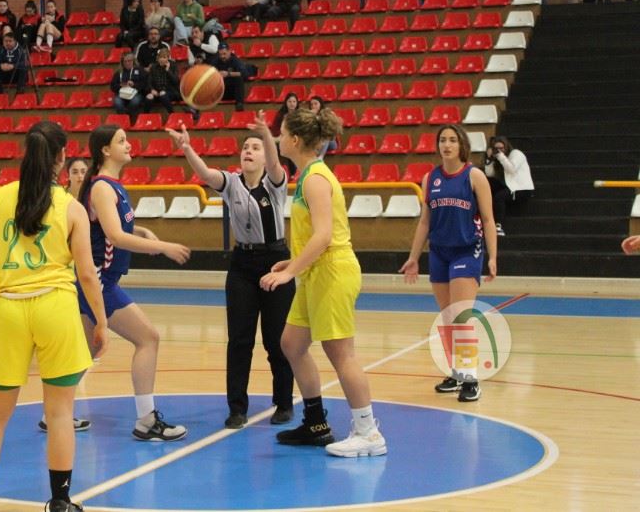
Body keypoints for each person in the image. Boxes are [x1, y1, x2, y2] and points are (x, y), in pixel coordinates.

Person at [0, 121, 109, 512]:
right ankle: (60, 501)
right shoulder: (71, 207)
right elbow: (88, 274)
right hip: (56, 308)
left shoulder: (1, 197)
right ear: (61, 157)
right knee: (60, 413)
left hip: (9, 310)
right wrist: (102, 321)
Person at [259, 107, 387, 457]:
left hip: (332, 271)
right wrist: (294, 262)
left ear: (295, 139)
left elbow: (324, 236)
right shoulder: (307, 175)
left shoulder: (316, 178)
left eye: (281, 133)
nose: (278, 138)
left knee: (341, 354)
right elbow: (314, 237)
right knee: (292, 344)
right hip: (316, 271)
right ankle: (316, 424)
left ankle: (368, 433)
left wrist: (288, 272)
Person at [168, 112, 294, 429]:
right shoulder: (231, 183)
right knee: (239, 340)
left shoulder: (275, 183)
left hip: (276, 261)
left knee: (277, 340)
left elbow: (276, 162)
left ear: (265, 156)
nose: (248, 151)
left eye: (255, 148)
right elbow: (205, 173)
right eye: (245, 148)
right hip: (242, 265)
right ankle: (237, 408)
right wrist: (187, 148)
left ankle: (284, 402)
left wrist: (267, 135)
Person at [76, 124, 191, 441]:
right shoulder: (102, 187)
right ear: (105, 150)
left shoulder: (112, 185)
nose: (129, 145)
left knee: (85, 350)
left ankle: (52, 411)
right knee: (148, 339)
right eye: (121, 141)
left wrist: (142, 232)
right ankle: (146, 420)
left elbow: (111, 228)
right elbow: (114, 236)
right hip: (99, 281)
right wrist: (163, 246)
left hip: (99, 279)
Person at [399, 124, 498, 403]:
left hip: (467, 250)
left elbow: (488, 219)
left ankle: (471, 379)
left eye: (452, 140)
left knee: (461, 316)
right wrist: (414, 257)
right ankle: (457, 372)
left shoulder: (474, 176)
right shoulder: (430, 178)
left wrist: (493, 257)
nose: (447, 145)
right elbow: (425, 222)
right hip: (439, 252)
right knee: (447, 317)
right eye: (442, 140)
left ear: (461, 145)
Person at [483, 136, 533, 237]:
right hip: (508, 185)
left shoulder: (516, 154)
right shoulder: (498, 158)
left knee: (499, 197)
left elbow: (511, 169)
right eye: (496, 148)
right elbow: (489, 174)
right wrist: (489, 159)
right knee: (486, 184)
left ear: (506, 146)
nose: (499, 151)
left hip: (520, 188)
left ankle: (498, 225)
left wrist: (501, 156)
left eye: (501, 148)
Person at [110, 52, 146, 123]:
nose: (127, 63)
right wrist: (120, 85)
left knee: (135, 101)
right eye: (125, 61)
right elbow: (112, 86)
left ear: (133, 61)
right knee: (117, 102)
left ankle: (129, 117)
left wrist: (134, 84)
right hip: (122, 93)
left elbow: (144, 84)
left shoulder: (140, 70)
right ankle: (124, 120)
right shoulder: (118, 72)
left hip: (136, 93)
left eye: (129, 61)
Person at [213, 42, 250, 112]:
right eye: (220, 54)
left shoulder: (235, 61)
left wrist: (228, 74)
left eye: (224, 54)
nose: (222, 56)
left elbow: (245, 74)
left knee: (238, 78)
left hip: (233, 91)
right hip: (221, 91)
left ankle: (239, 104)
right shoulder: (216, 61)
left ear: (229, 51)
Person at [143, 48, 181, 115]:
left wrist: (168, 70)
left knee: (163, 94)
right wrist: (152, 89)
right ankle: (145, 116)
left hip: (170, 92)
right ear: (158, 58)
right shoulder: (154, 67)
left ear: (168, 58)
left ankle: (172, 114)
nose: (162, 59)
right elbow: (149, 81)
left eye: (164, 57)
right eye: (160, 57)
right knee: (149, 97)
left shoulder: (173, 66)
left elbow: (176, 81)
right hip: (157, 91)